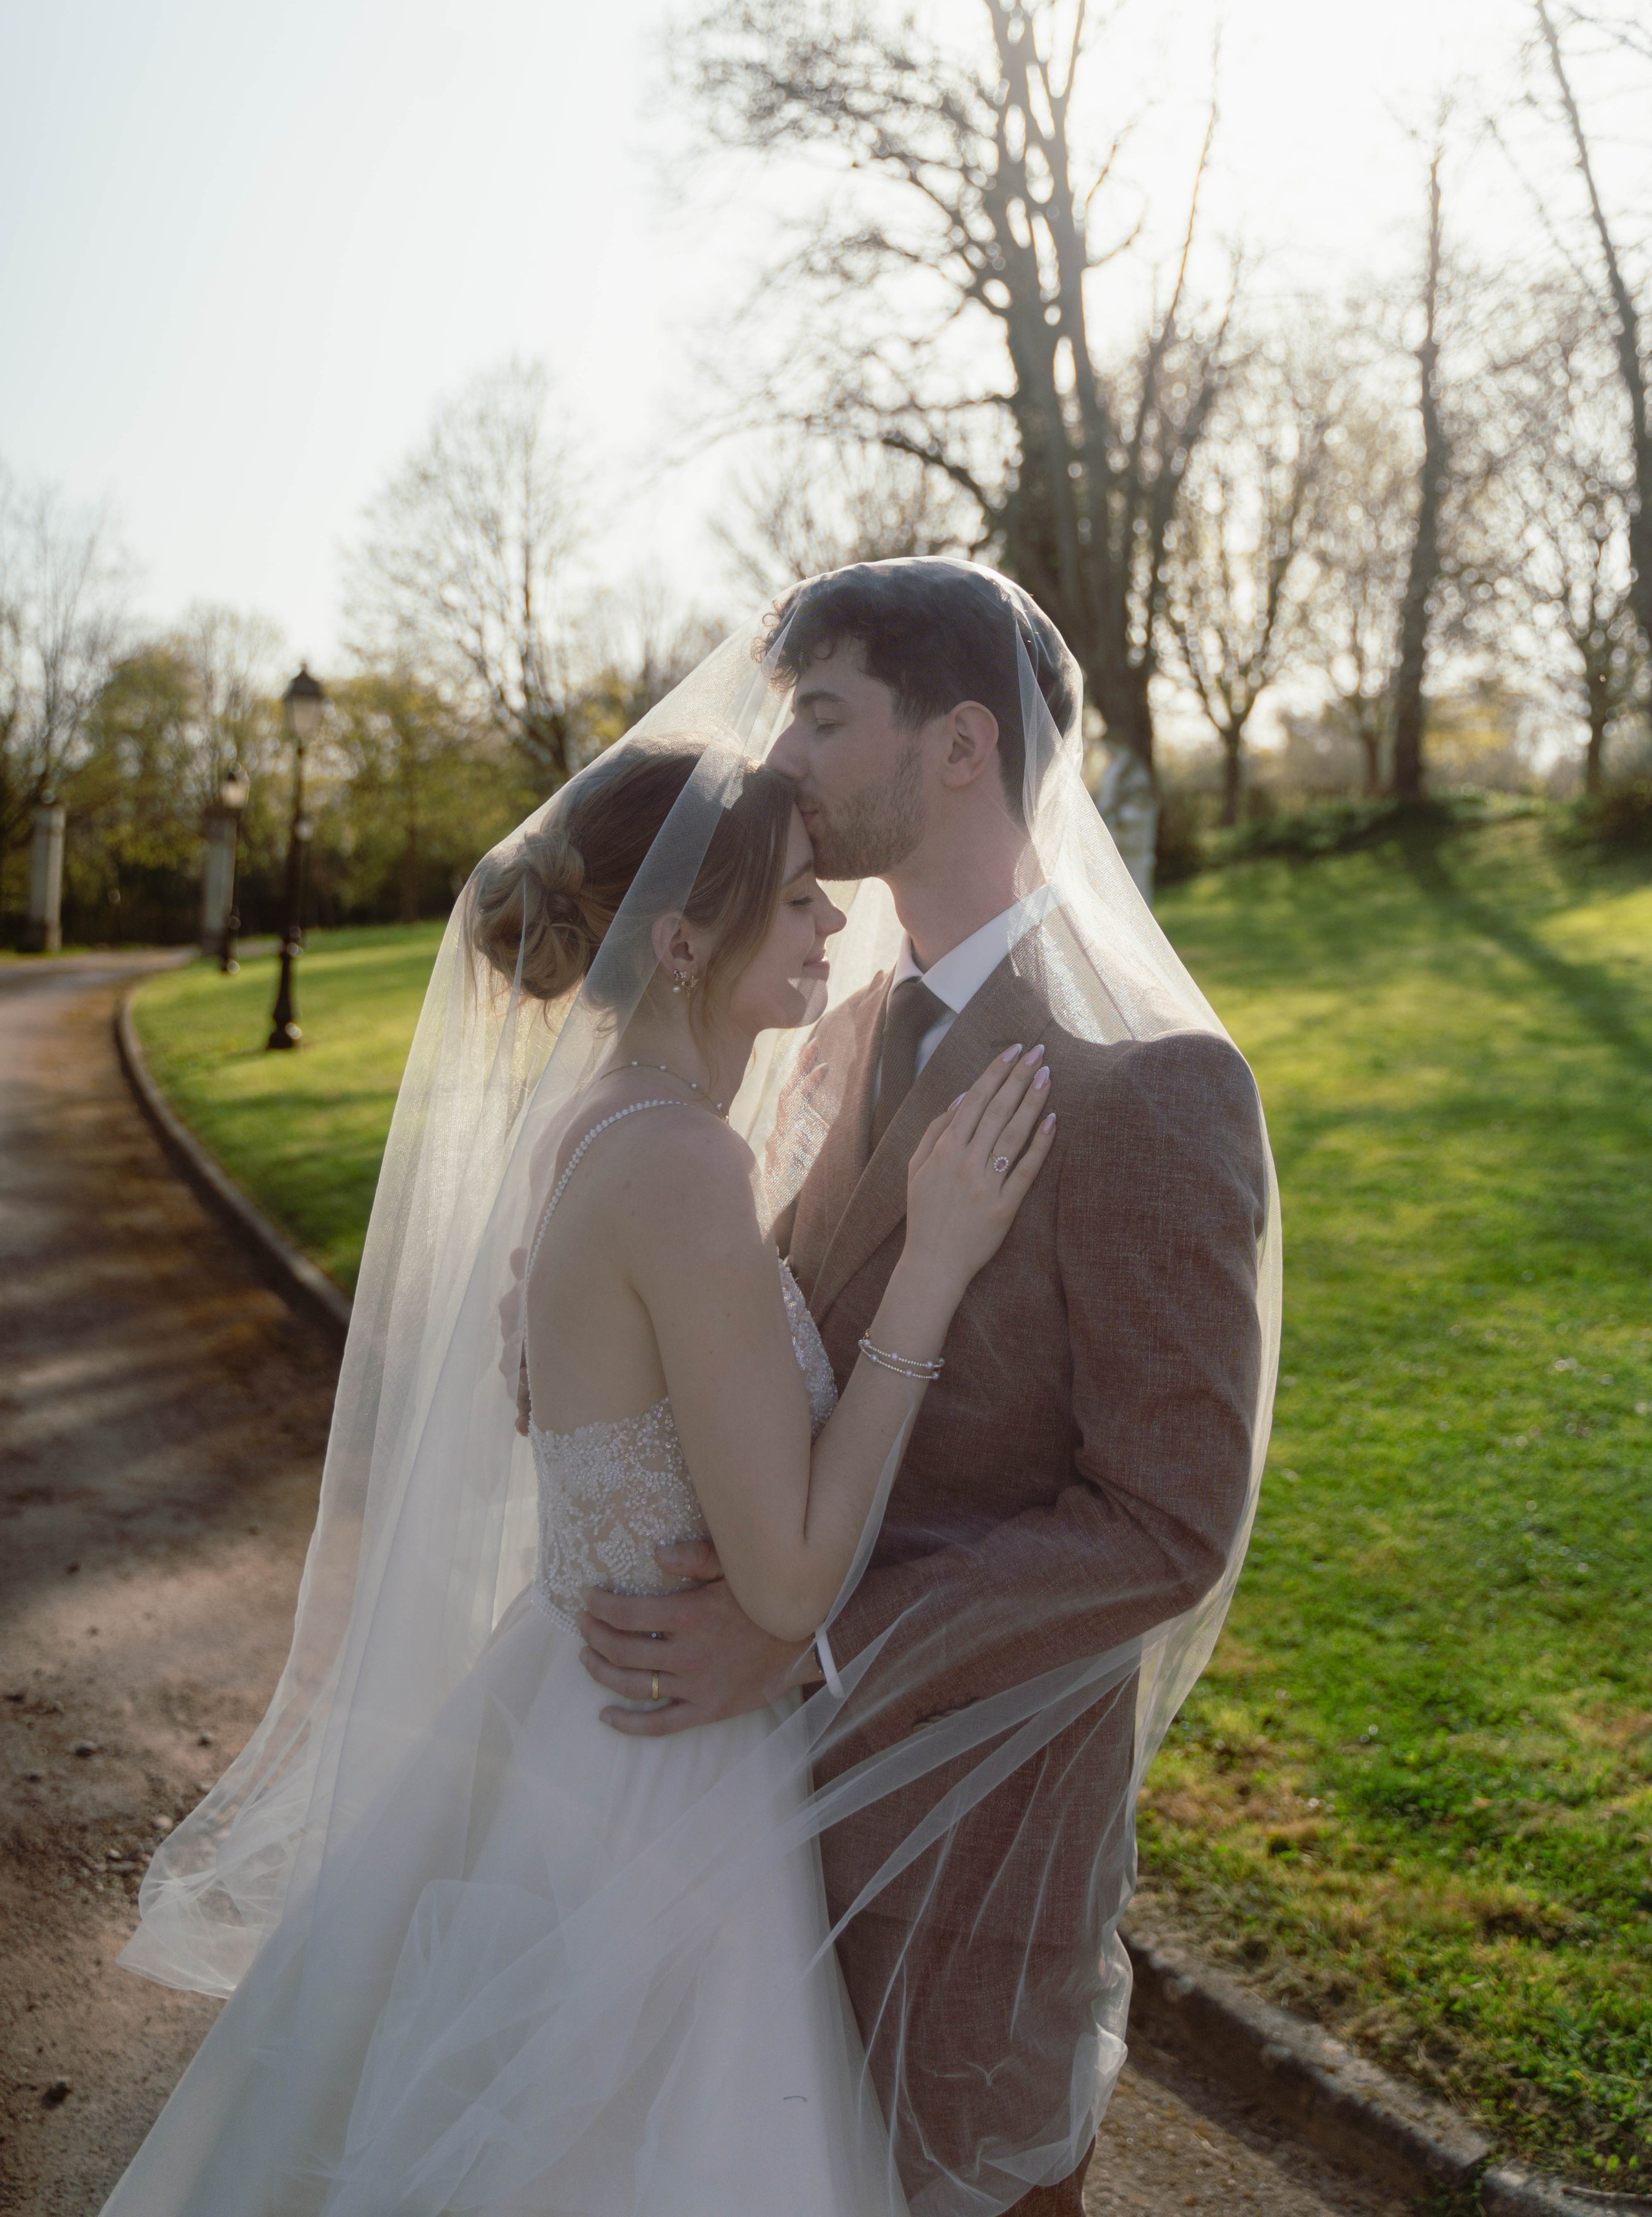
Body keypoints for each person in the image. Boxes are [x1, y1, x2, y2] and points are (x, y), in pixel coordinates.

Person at [99, 736, 1054, 2217]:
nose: (832, 921)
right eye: (797, 897)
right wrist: (930, 1271)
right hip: (662, 1774)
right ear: (679, 942)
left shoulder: (601, 1123)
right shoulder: (680, 1164)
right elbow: (788, 1579)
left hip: (567, 1711)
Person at [577, 561, 1271, 2215]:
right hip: (742, 1840)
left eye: (822, 717)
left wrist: (811, 1642)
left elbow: (1165, 1523)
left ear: (960, 745)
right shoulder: (836, 1028)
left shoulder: (1149, 1086)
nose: (782, 761)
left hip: (967, 1861)